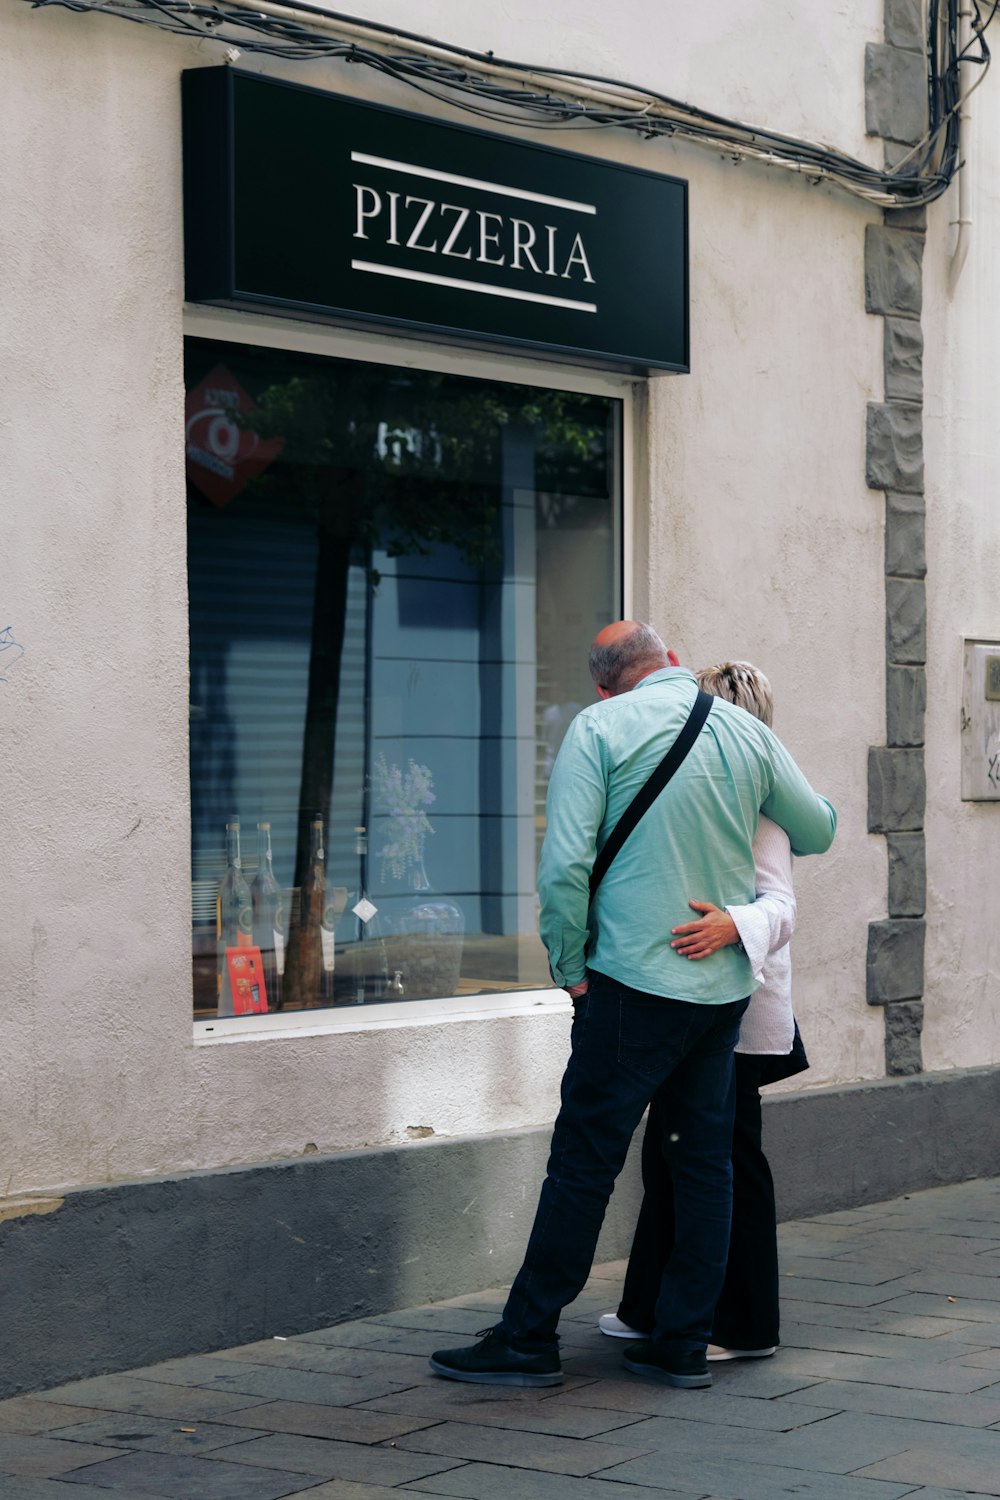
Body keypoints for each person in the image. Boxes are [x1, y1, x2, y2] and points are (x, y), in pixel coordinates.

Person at [429, 622, 835, 1391]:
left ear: (605, 684)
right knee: (705, 1166)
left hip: (630, 989)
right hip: (718, 995)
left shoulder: (599, 726)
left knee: (584, 1166)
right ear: (673, 663)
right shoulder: (744, 731)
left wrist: (568, 963)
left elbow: (565, 864)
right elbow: (817, 828)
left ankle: (527, 1339)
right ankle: (682, 1342)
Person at [599, 660, 804, 1362]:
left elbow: (781, 906)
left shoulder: (763, 803)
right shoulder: (711, 792)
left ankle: (746, 1326)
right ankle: (650, 1307)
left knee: (730, 1161)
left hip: (738, 1011)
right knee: (672, 1152)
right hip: (690, 1001)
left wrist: (729, 926)